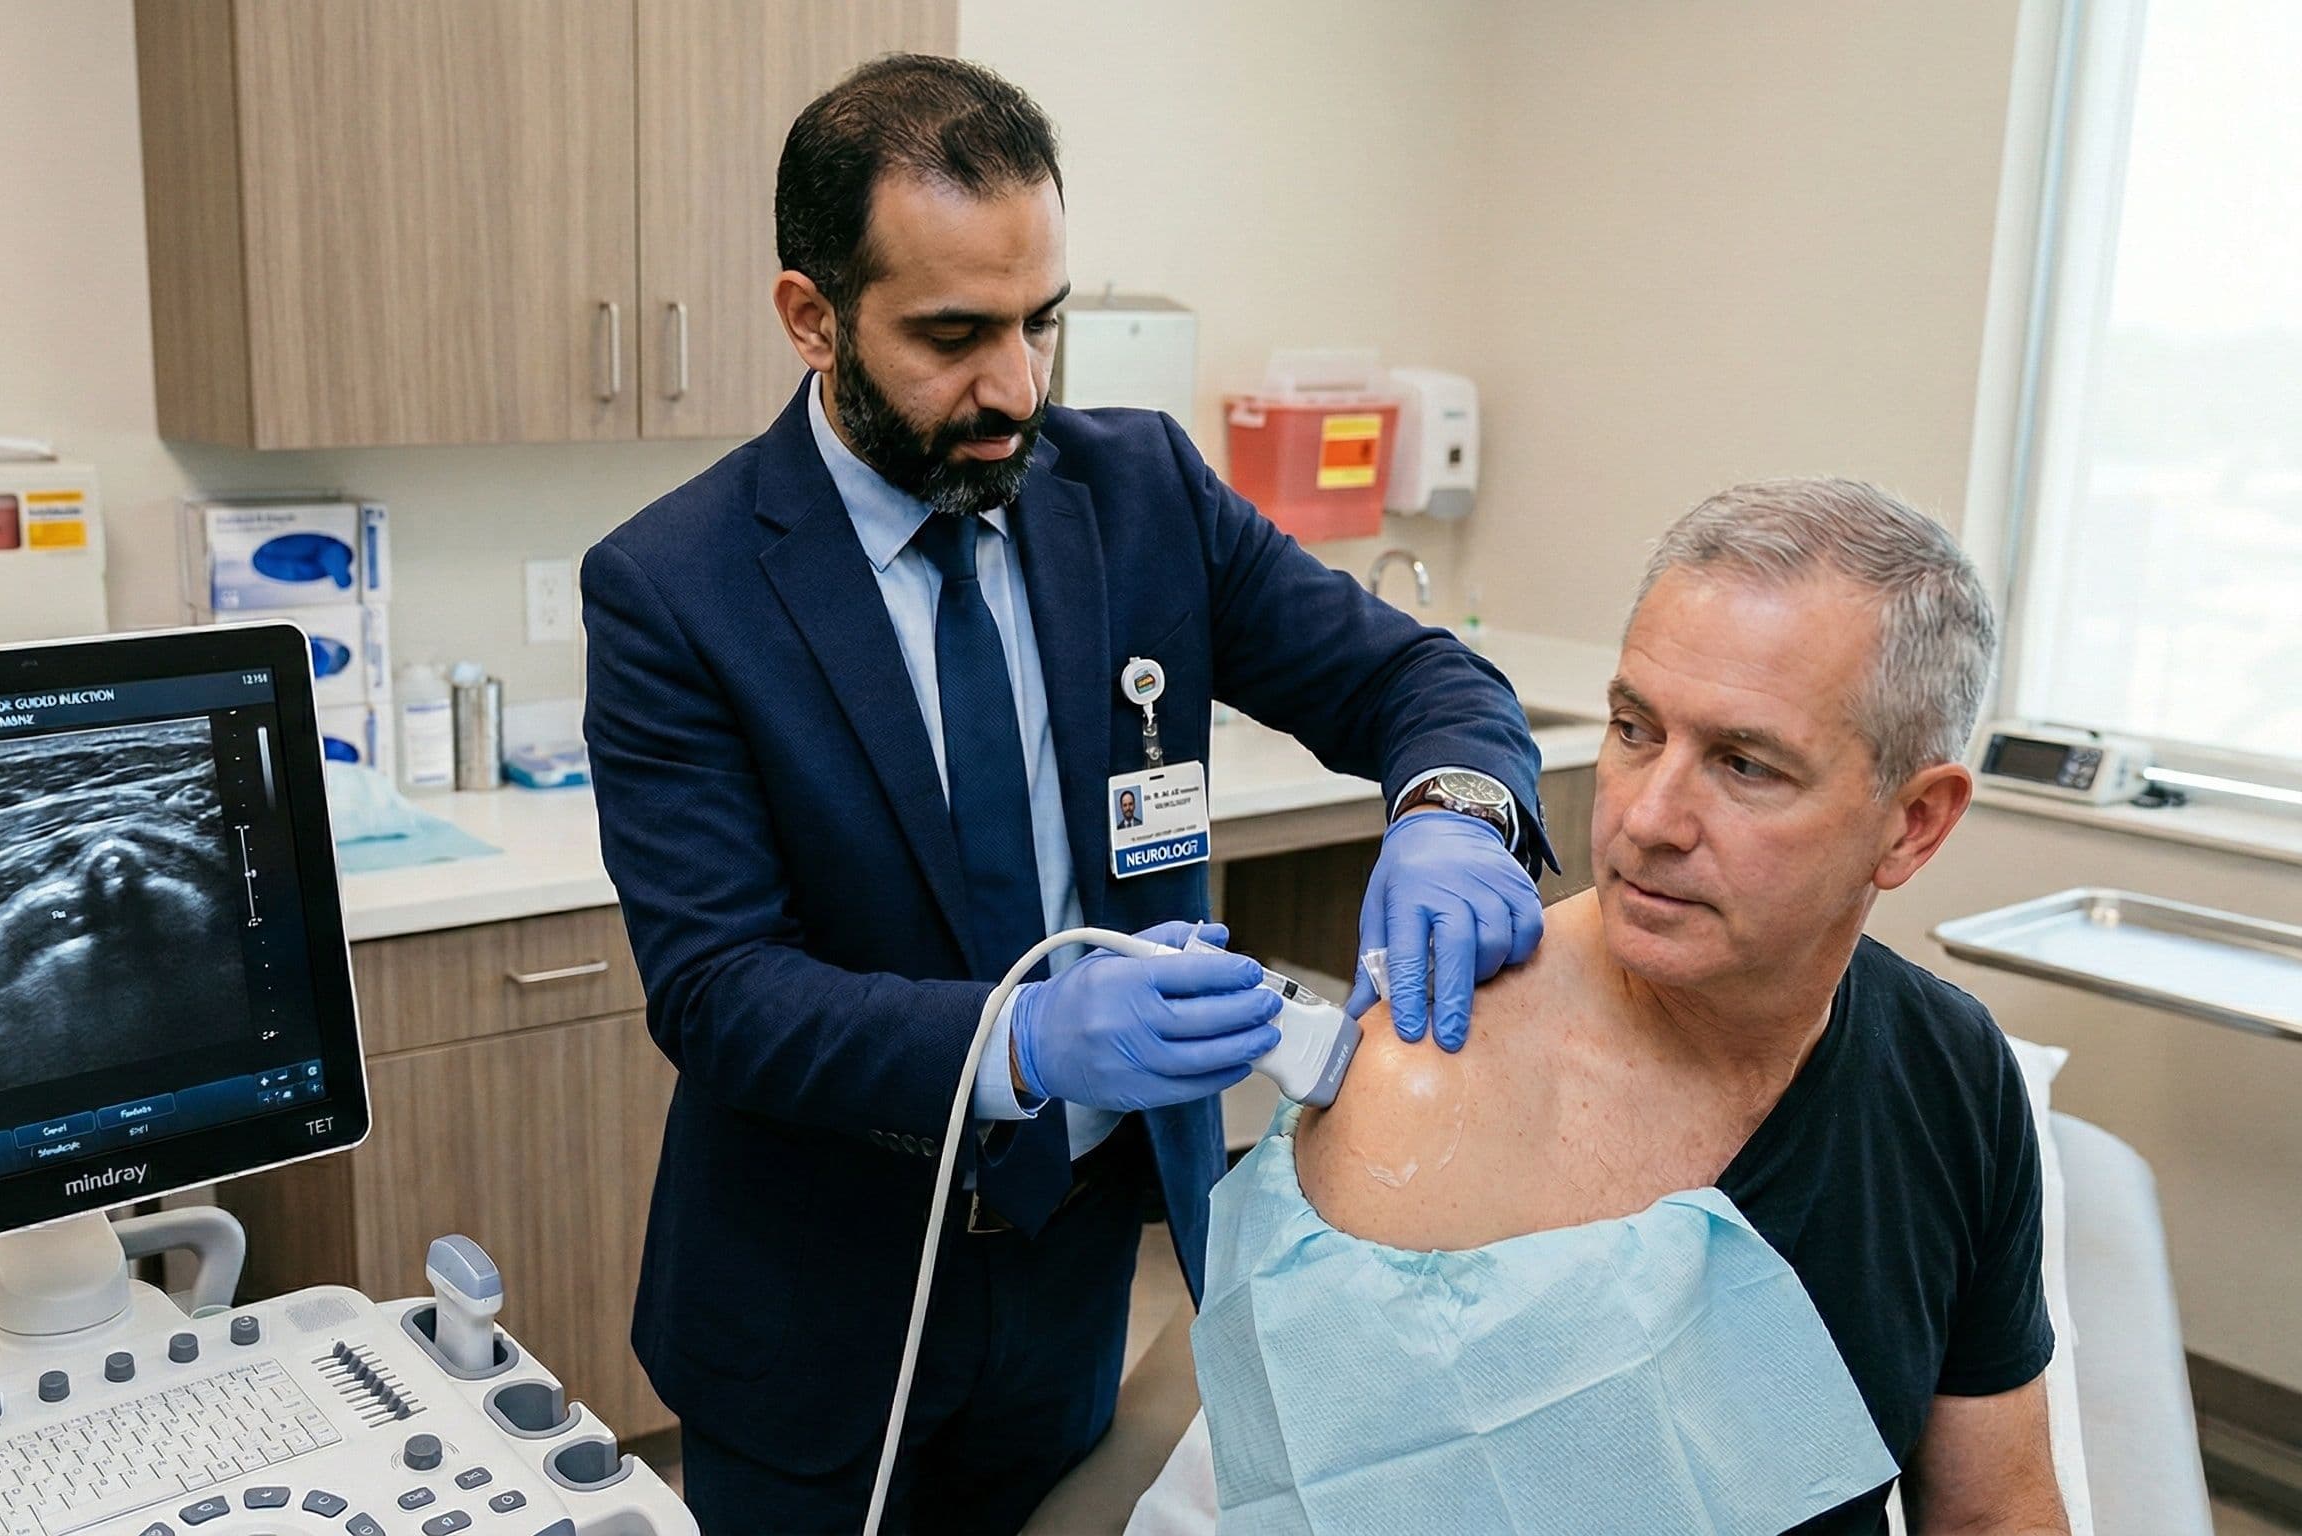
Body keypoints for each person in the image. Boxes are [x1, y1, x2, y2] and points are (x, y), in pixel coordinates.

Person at [581, 54, 1551, 1533]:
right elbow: (722, 993)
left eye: (1040, 321)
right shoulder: (677, 588)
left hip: (1079, 1266)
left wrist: (1453, 816)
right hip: (817, 1315)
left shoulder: (1140, 494)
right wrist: (1018, 1039)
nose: (1016, 389)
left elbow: (1417, 681)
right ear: (810, 316)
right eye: (953, 336)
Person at [1156, 479, 2065, 1534]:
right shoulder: (1433, 1085)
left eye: (1744, 764)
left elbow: (1996, 1511)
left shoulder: (1951, 1069)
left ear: (1914, 824)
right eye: (1634, 729)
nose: (1646, 820)